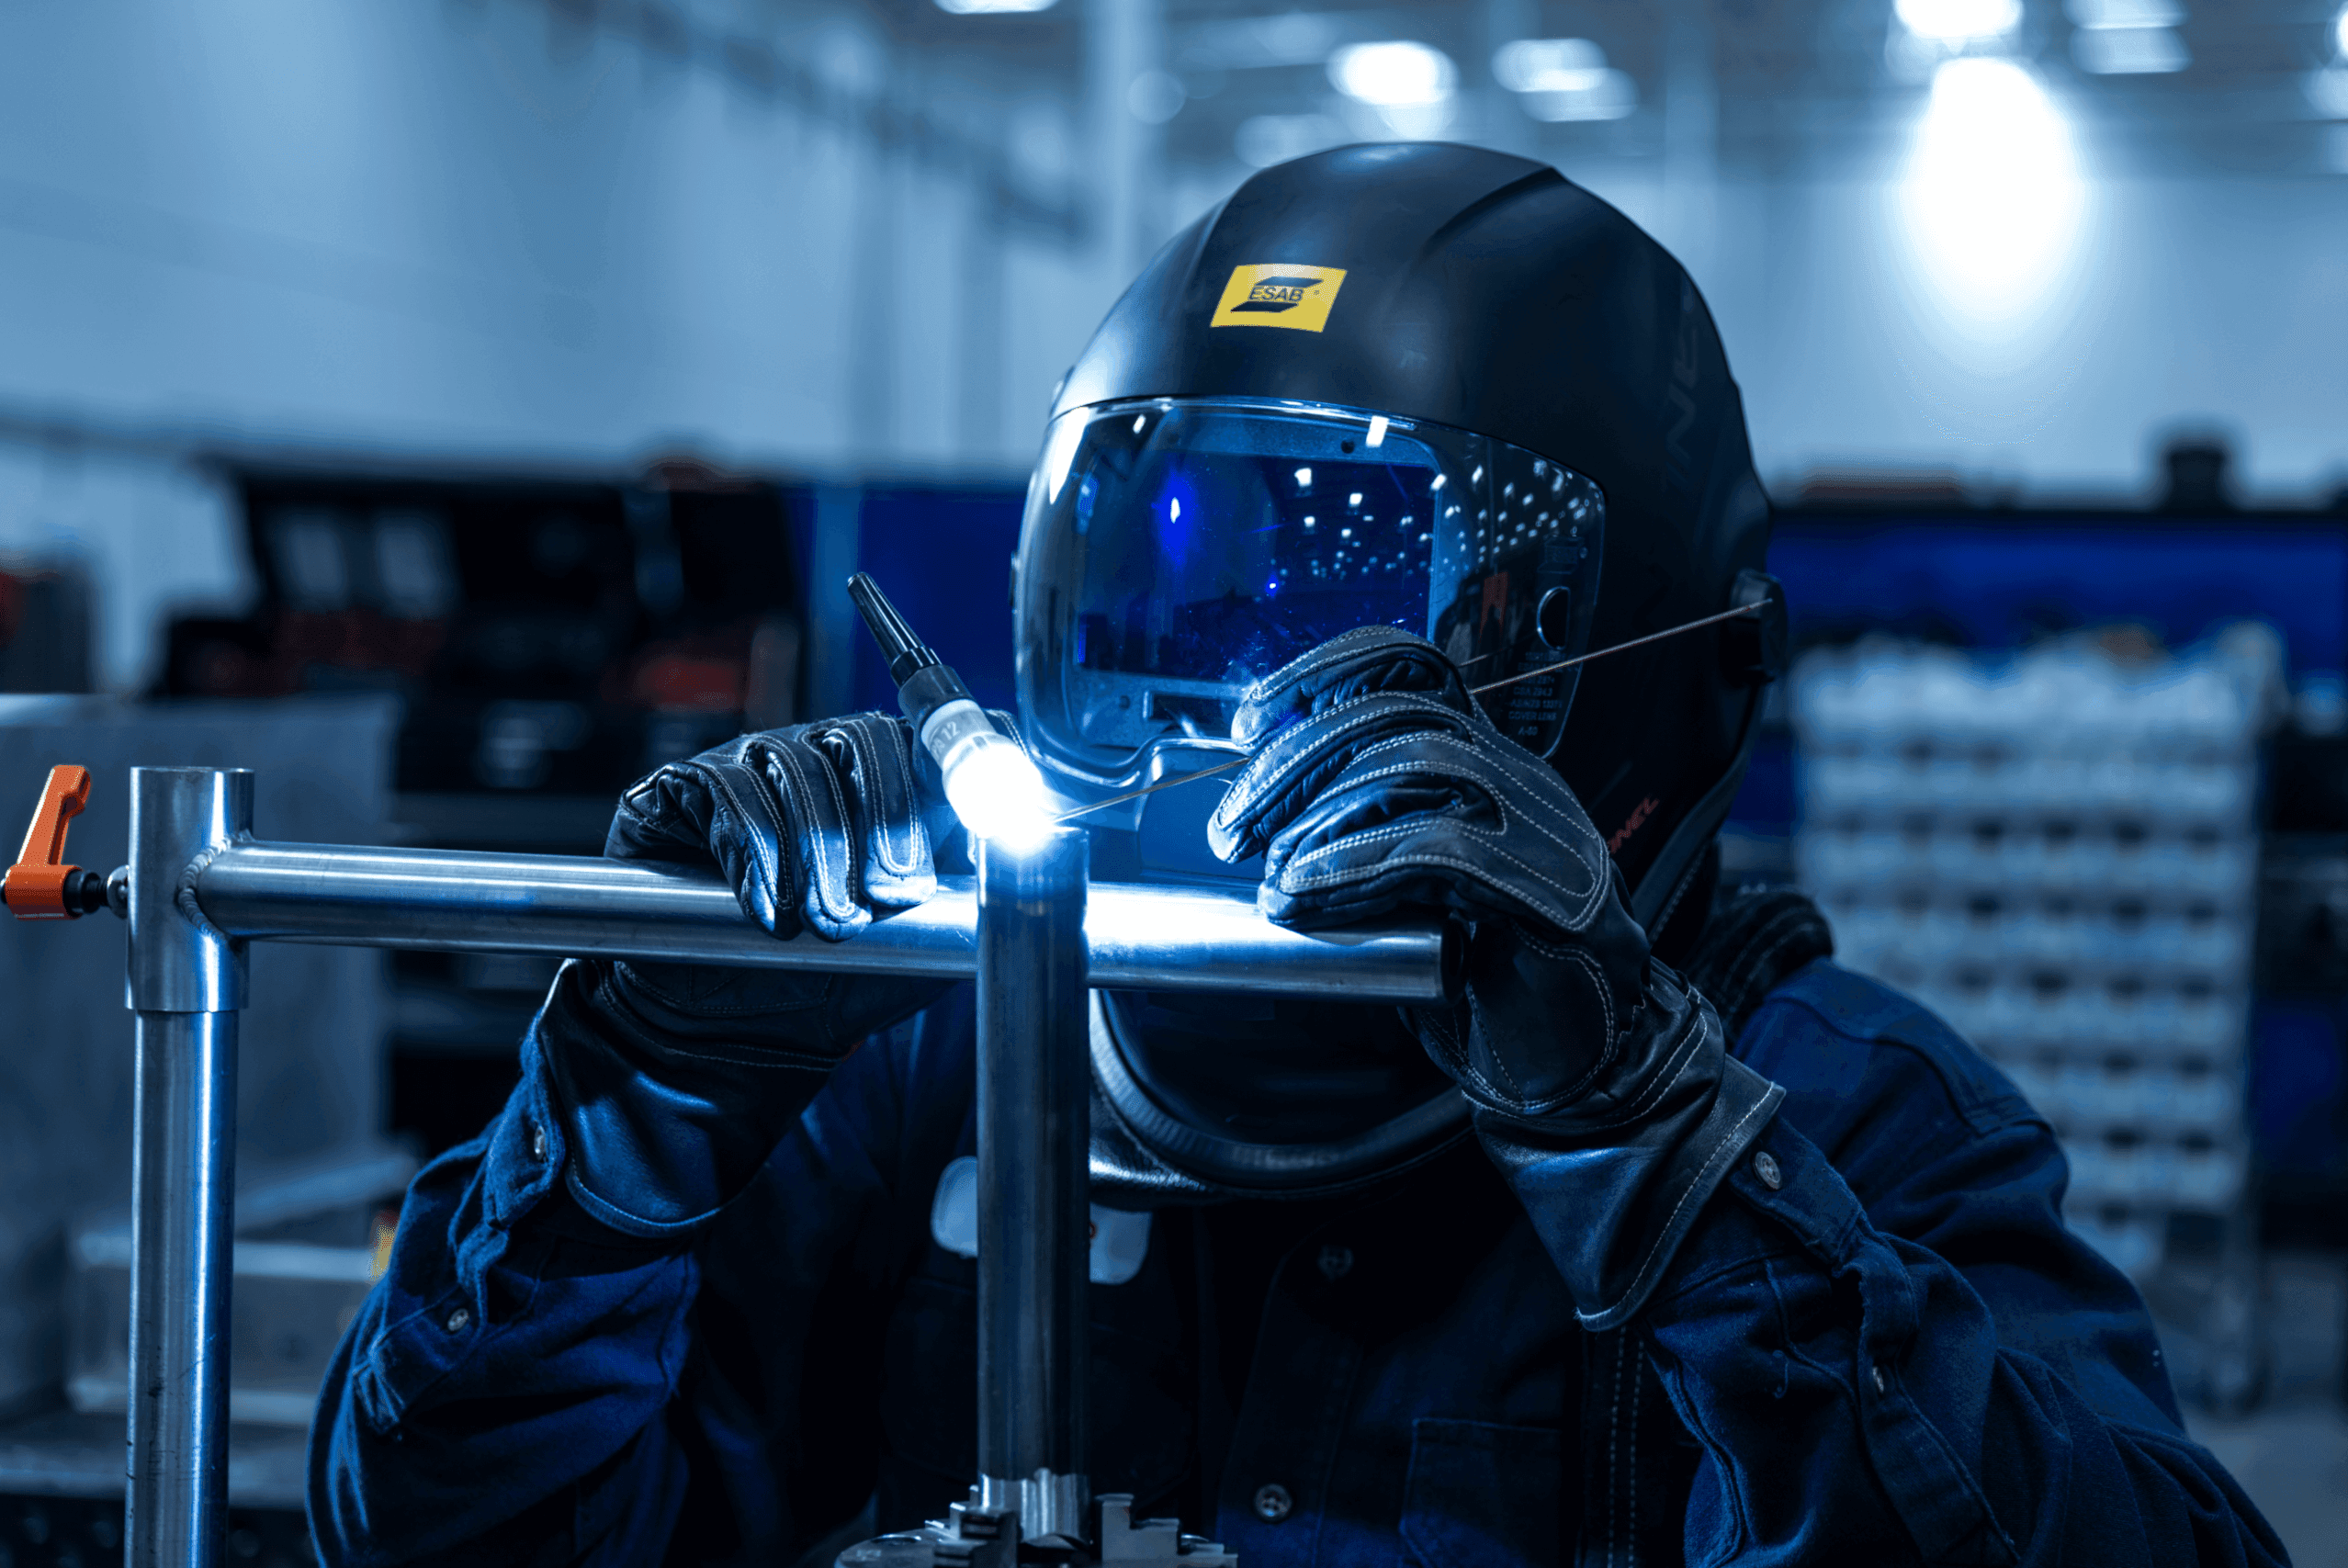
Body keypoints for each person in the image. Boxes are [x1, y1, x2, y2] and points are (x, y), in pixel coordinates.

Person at [308, 144, 2286, 1567]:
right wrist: (628, 1132)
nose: (1248, 743)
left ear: (1667, 706)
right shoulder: (928, 1061)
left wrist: (1679, 1174)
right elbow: (434, 1536)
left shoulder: (1857, 1123)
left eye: (1371, 644)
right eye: (1172, 611)